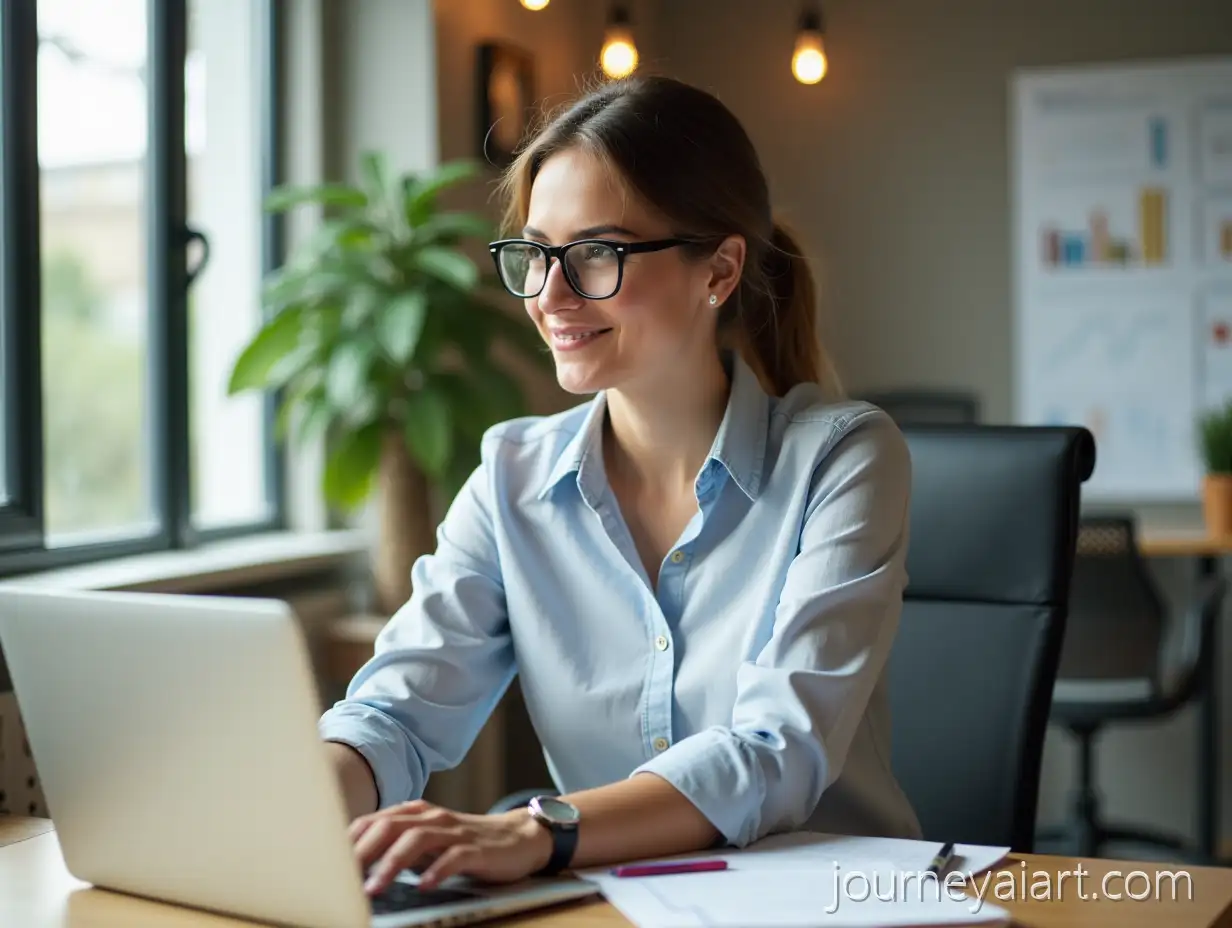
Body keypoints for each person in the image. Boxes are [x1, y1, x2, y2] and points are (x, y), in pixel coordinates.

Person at [318, 73, 921, 897]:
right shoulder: (511, 477)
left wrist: (531, 830)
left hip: (831, 904)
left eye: (596, 253)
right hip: (615, 903)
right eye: (533, 253)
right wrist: (303, 802)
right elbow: (396, 713)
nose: (550, 295)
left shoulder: (844, 459)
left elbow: (776, 750)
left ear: (719, 270)